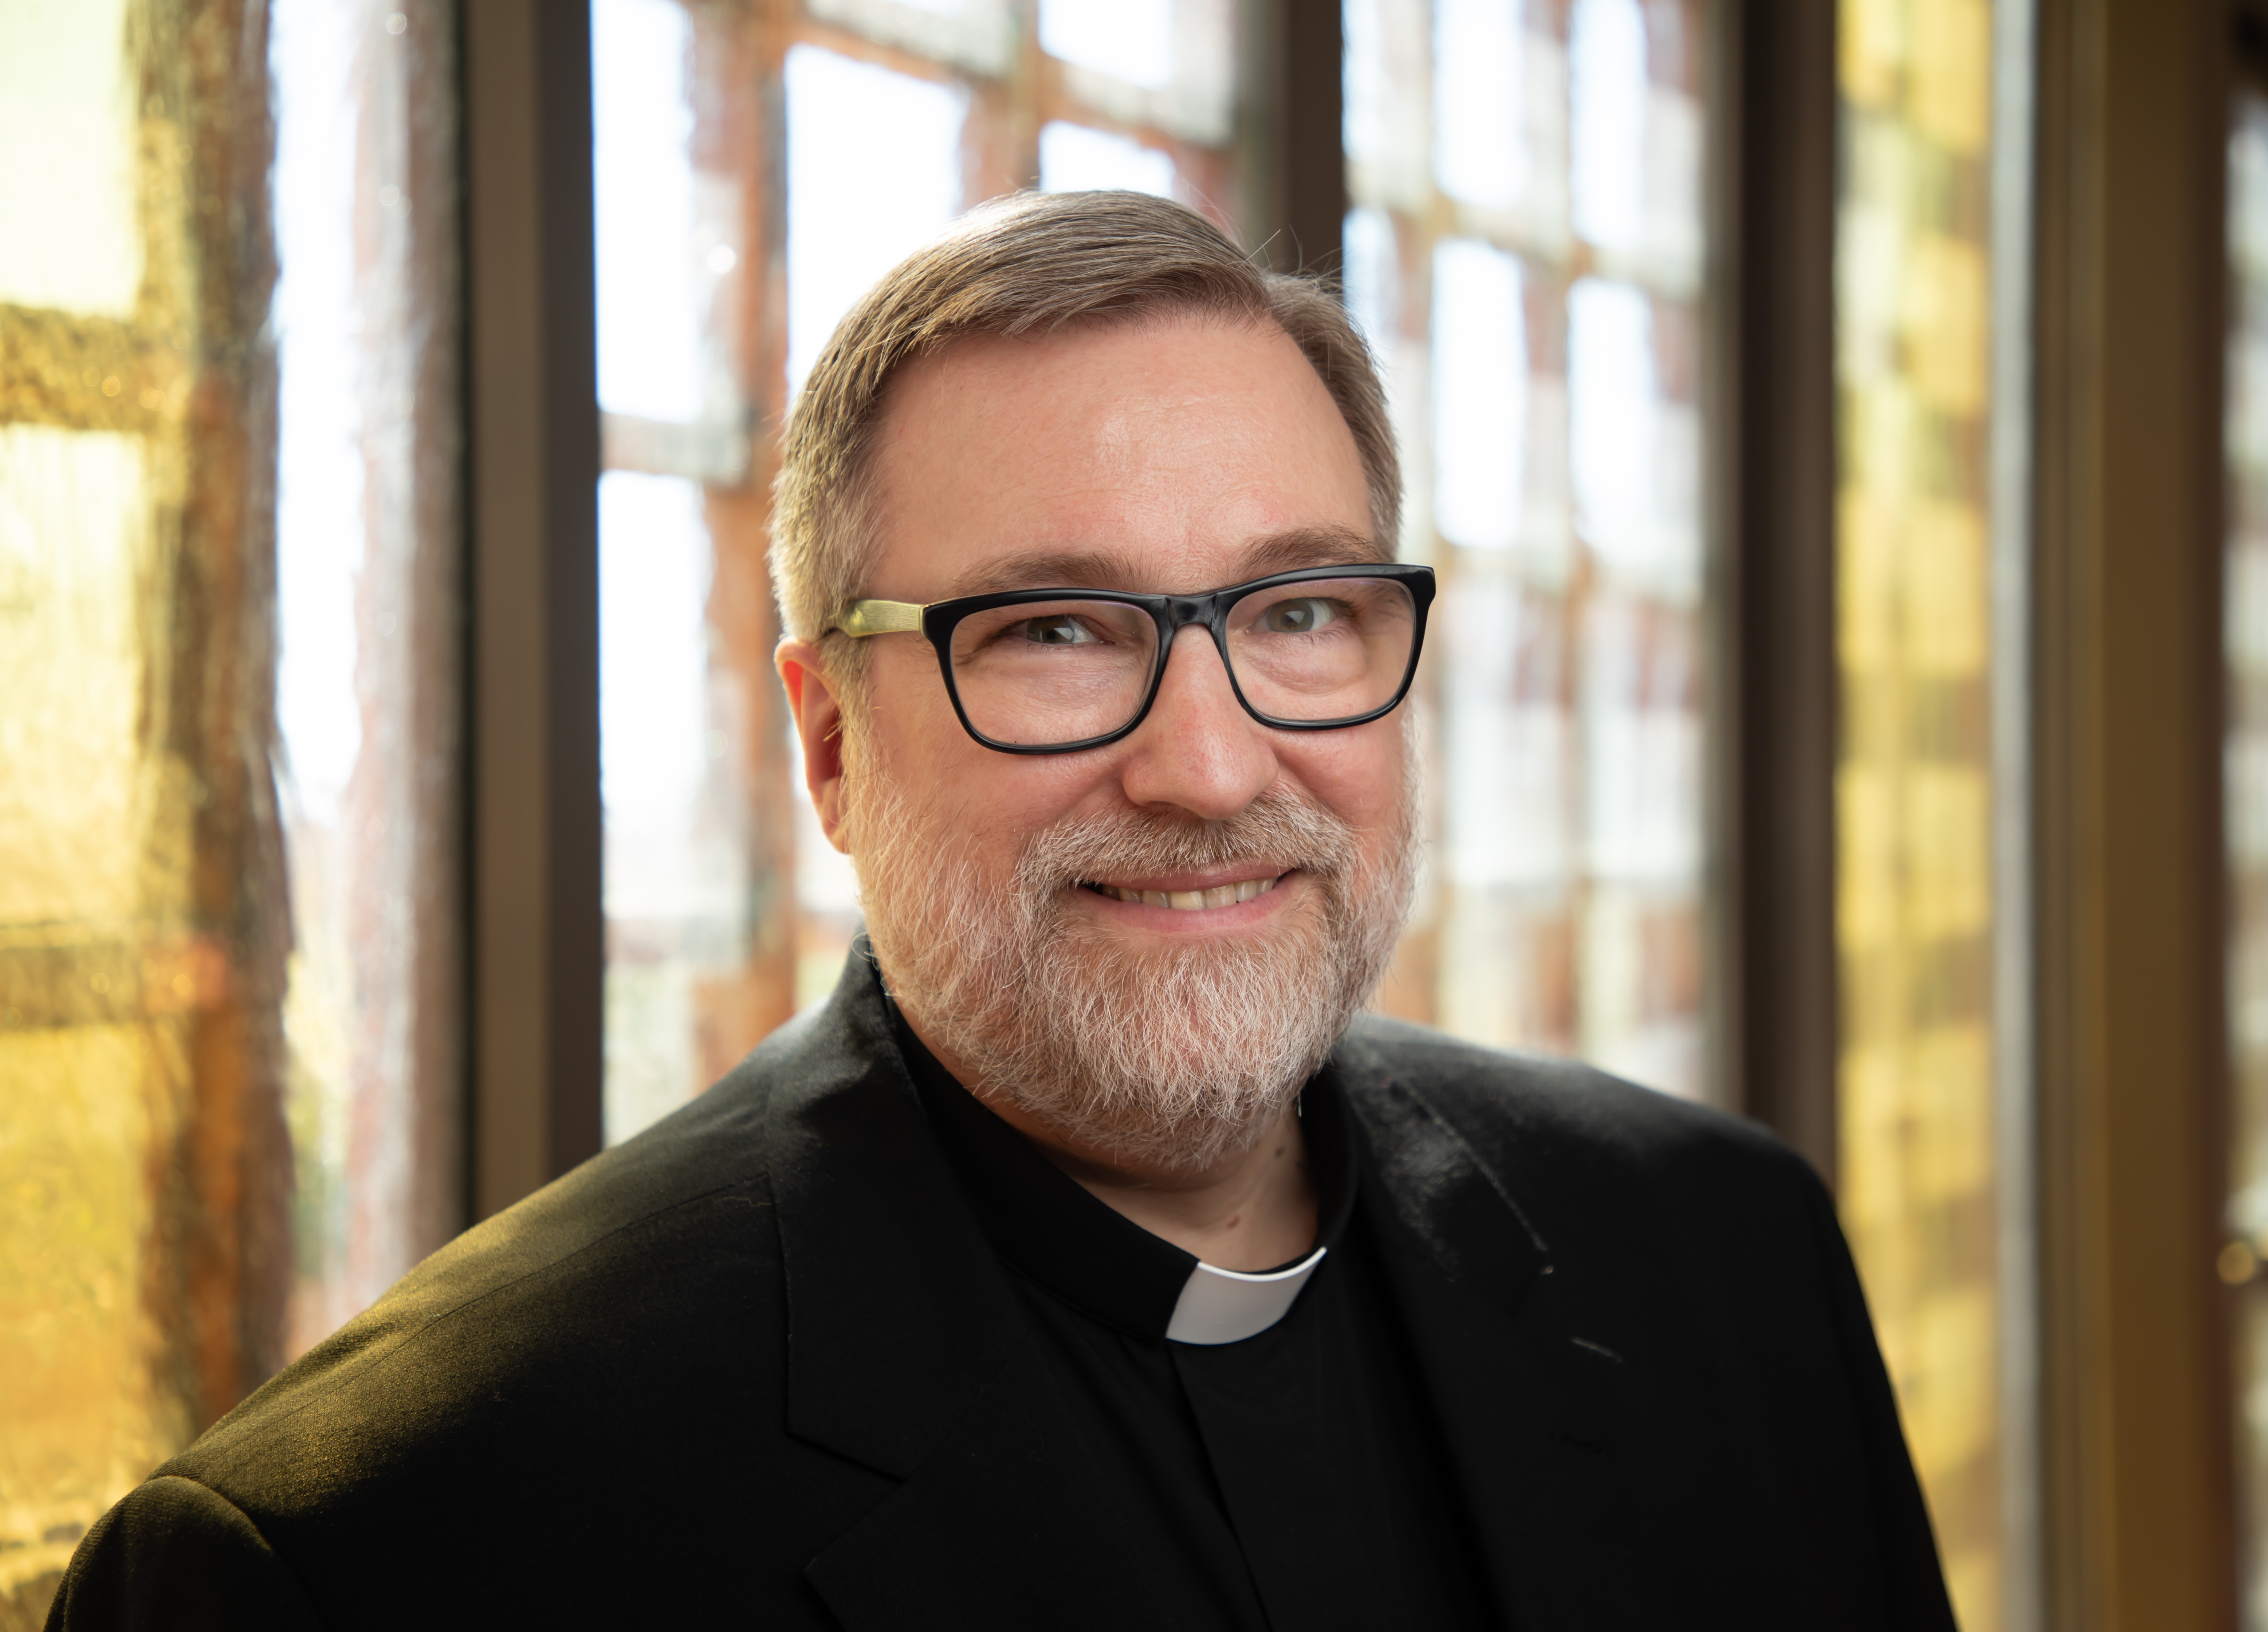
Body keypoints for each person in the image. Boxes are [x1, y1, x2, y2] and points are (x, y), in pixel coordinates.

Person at [50, 191, 1955, 1631]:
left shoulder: (1729, 1254)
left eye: (1298, 613)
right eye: (1053, 630)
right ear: (827, 745)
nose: (1211, 769)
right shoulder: (367, 1558)